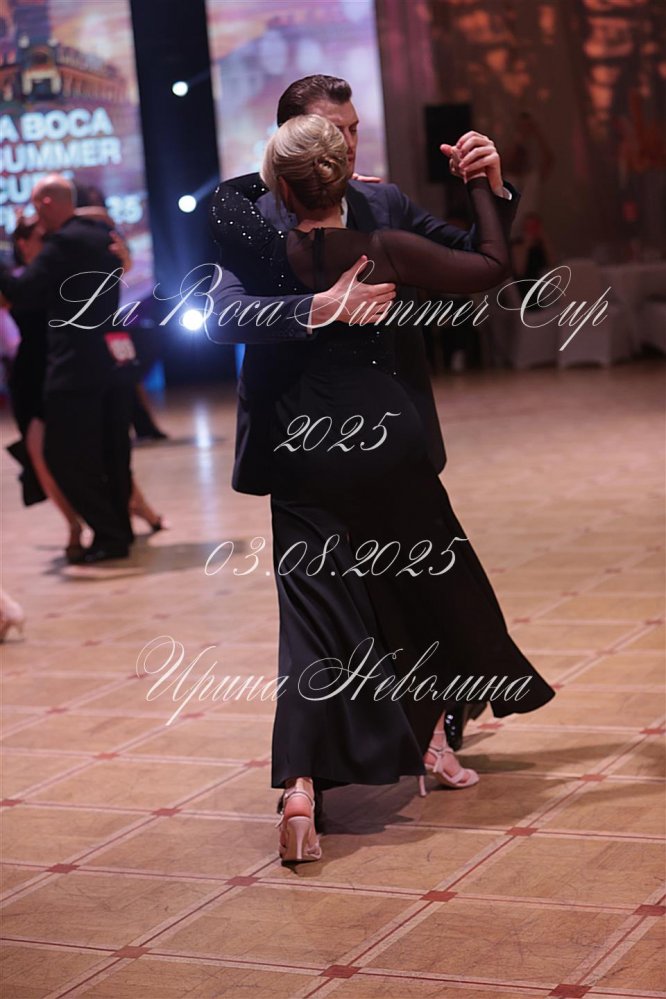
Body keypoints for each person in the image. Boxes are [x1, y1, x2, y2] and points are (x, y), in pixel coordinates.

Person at [210, 114, 556, 863]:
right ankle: (409, 742)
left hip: (304, 447)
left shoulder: (262, 246)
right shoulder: (378, 244)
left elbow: (221, 294)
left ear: (281, 182)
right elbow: (490, 265)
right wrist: (480, 186)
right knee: (421, 593)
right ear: (337, 170)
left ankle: (303, 787)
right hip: (383, 443)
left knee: (317, 621)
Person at [2, 212, 164, 559]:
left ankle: (118, 522)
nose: (47, 243)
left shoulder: (64, 264)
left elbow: (102, 237)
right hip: (36, 373)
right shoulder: (24, 278)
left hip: (68, 370)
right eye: (39, 238)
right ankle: (82, 526)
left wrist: (122, 257)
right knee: (48, 457)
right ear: (23, 244)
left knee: (89, 453)